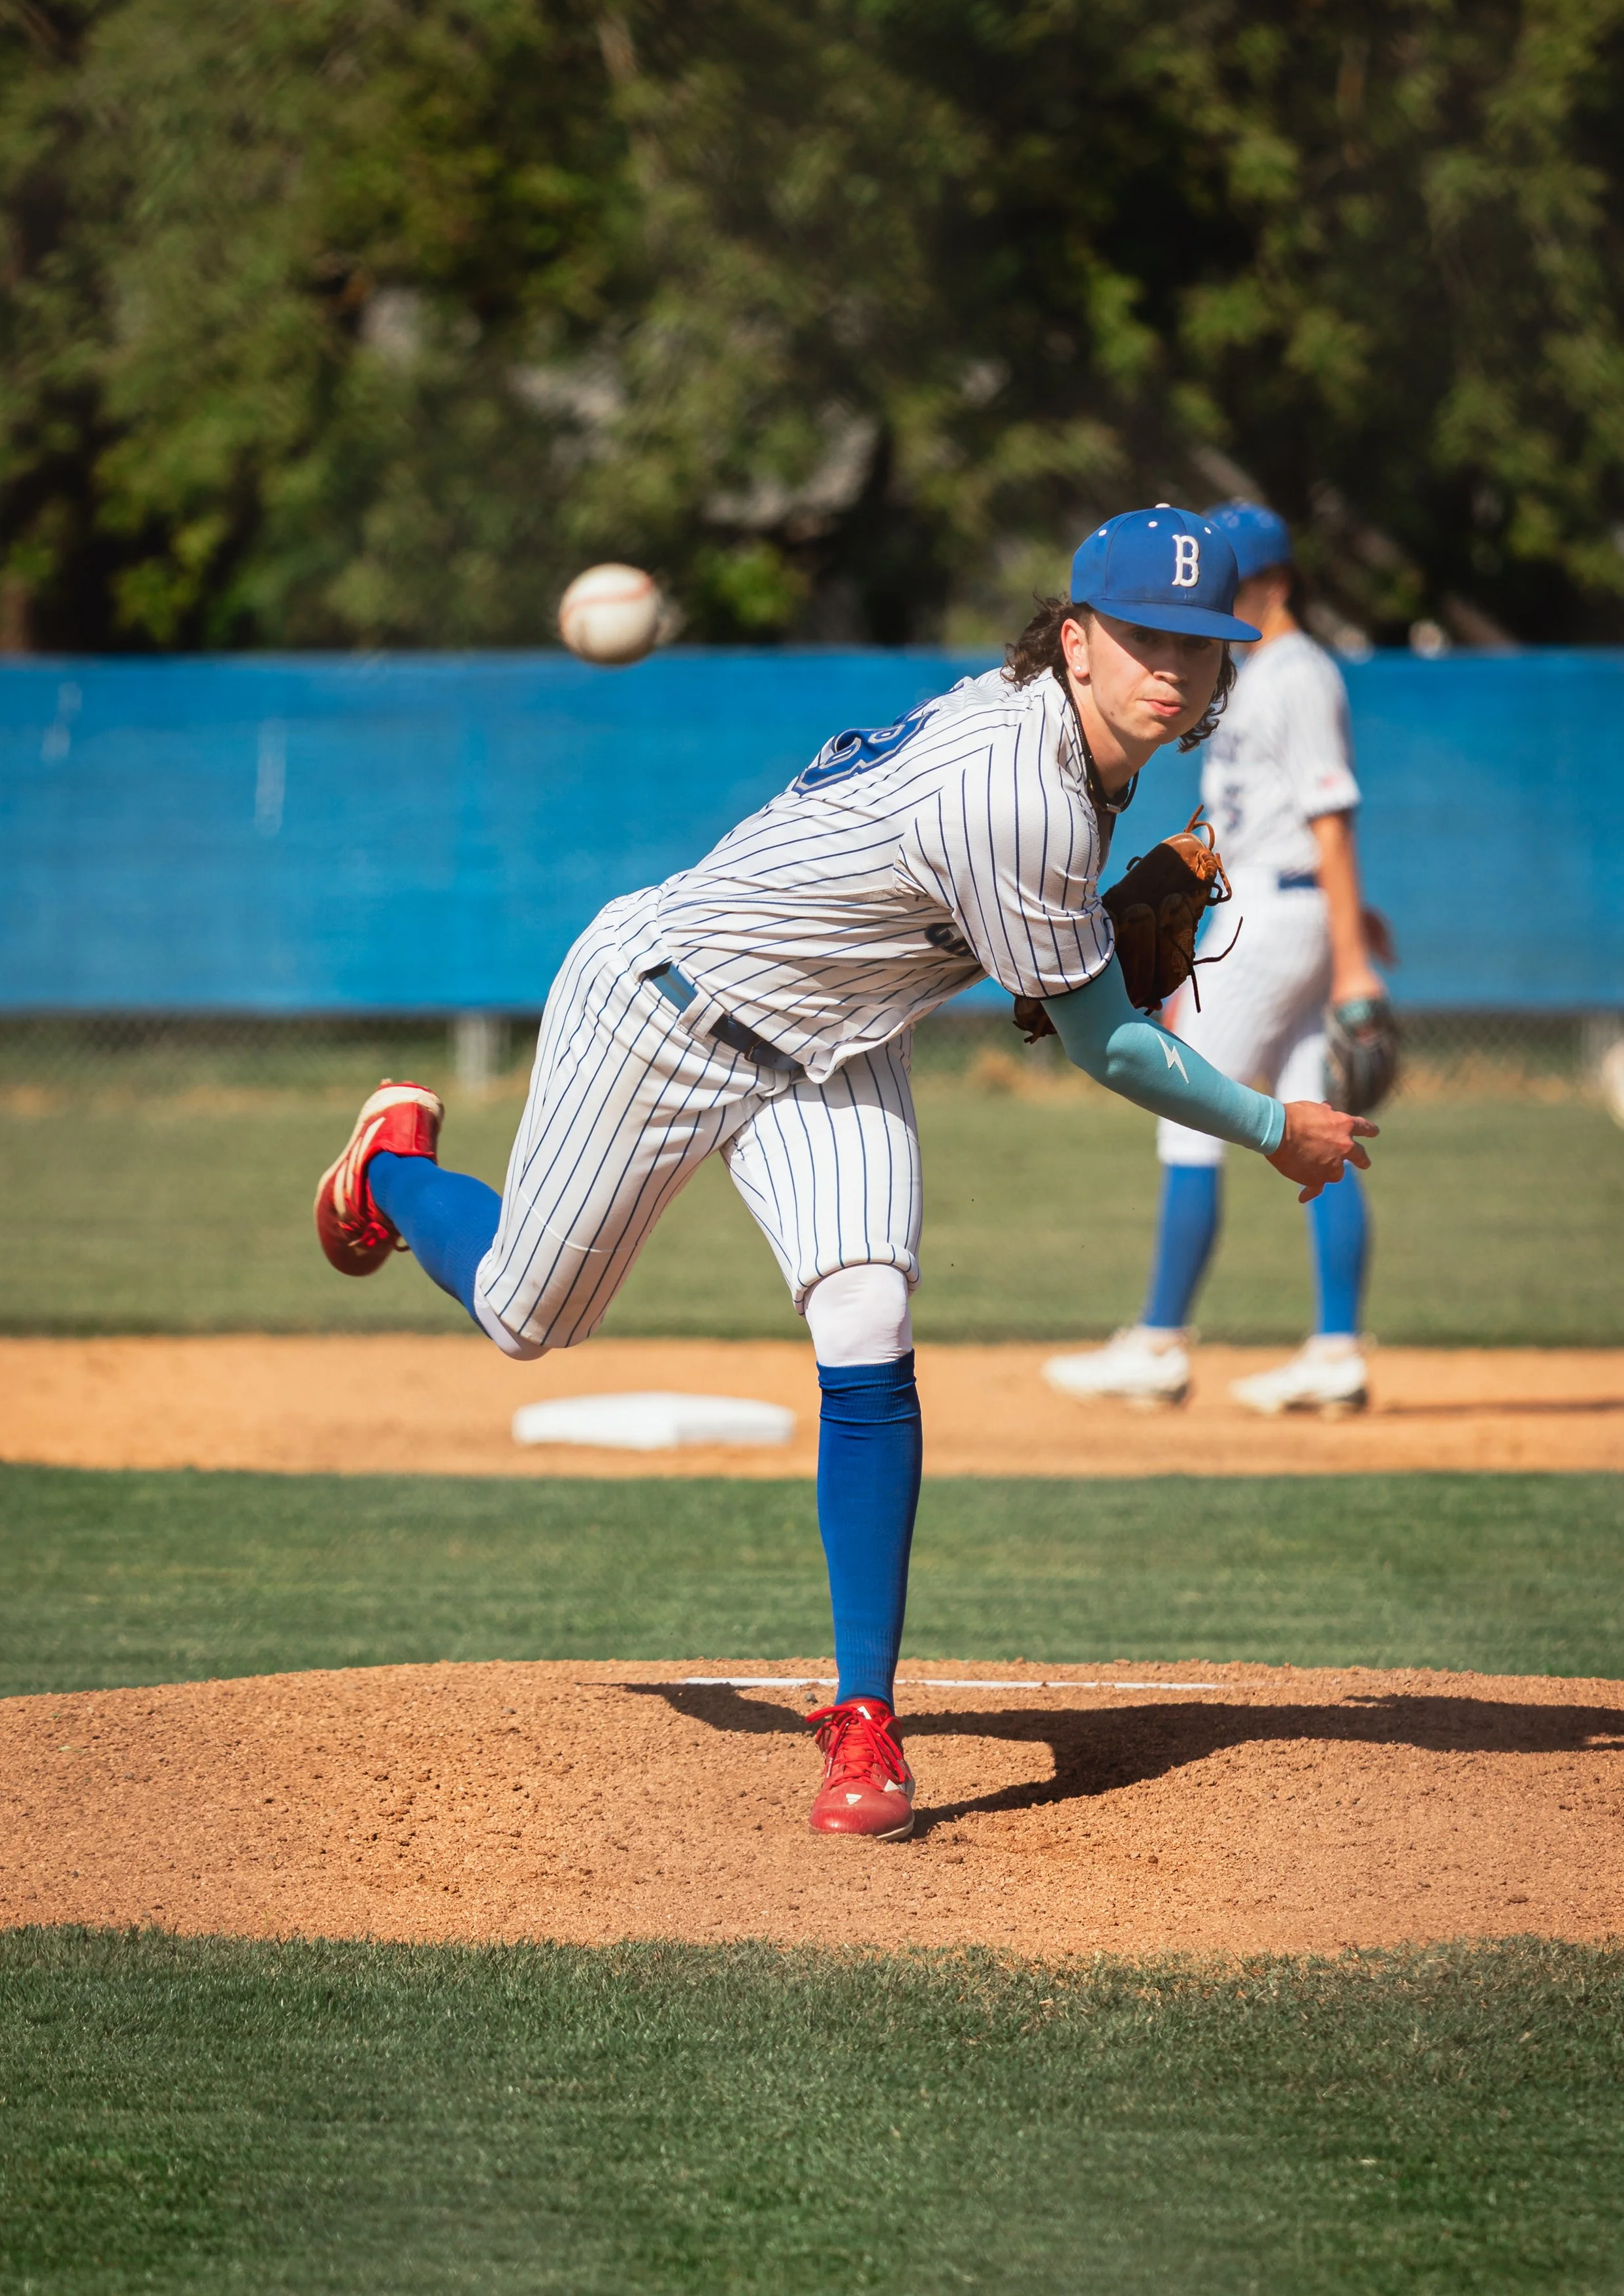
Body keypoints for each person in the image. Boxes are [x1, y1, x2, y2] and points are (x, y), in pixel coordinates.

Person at [314, 507, 1374, 1840]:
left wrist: (1052, 955)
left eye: (1199, 643)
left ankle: (865, 1722)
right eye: (1141, 635)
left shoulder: (1077, 751)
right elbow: (1104, 1044)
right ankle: (391, 1169)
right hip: (662, 1011)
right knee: (526, 1317)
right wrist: (1274, 1126)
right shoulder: (1020, 786)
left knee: (868, 1309)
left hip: (838, 1040)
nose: (1171, 665)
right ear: (1074, 640)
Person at [1045, 499, 1394, 1418]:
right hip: (1282, 904)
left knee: (1188, 1107)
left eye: (1230, 582)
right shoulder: (1257, 672)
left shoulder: (1297, 675)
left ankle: (1160, 1343)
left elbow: (1329, 817)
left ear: (1272, 584)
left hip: (1277, 915)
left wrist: (1351, 961)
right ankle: (1336, 1351)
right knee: (1319, 1121)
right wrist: (1348, 923)